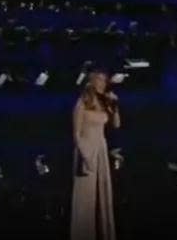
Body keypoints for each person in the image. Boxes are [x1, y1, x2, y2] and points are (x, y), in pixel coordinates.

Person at [71, 71, 121, 240]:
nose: (103, 83)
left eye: (104, 80)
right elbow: (76, 134)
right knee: (86, 196)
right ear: (91, 81)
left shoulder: (105, 102)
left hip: (101, 149)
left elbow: (116, 124)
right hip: (86, 150)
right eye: (99, 80)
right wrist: (85, 156)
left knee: (103, 193)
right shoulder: (82, 103)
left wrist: (115, 105)